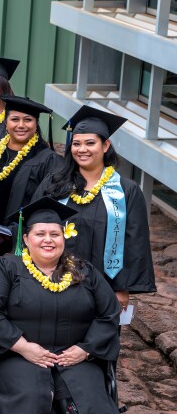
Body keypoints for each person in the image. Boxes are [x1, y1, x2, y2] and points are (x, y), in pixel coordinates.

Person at [0, 197, 125, 414]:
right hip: (19, 356)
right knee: (27, 392)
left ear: (63, 238)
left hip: (75, 357)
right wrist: (22, 346)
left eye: (55, 234)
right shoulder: (5, 269)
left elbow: (108, 314)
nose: (48, 240)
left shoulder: (83, 271)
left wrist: (86, 349)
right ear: (26, 238)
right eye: (40, 234)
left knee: (88, 396)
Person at [34, 105, 157, 309]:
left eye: (90, 143)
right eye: (76, 144)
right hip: (53, 279)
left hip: (105, 285)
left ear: (106, 145)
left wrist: (122, 288)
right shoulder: (54, 184)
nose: (82, 150)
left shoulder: (126, 190)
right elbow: (34, 224)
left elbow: (135, 240)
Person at [0, 95, 62, 228]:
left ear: (36, 125)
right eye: (15, 119)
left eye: (28, 120)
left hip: (19, 236)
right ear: (6, 123)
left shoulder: (48, 160)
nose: (21, 125)